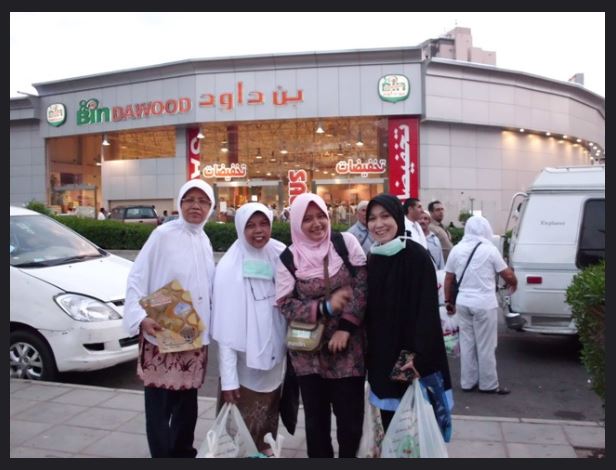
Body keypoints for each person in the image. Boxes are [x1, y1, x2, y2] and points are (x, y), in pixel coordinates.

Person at [123, 179, 216, 458]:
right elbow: (136, 278)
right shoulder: (163, 235)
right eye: (190, 200)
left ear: (211, 207)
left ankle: (183, 452)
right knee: (160, 406)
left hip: (192, 336)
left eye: (203, 201)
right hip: (161, 331)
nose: (196, 206)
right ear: (180, 203)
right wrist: (140, 317)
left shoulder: (204, 239)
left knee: (187, 404)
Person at [275, 192, 368, 458]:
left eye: (320, 216)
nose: (316, 224)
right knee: (316, 423)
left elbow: (362, 287)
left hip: (347, 350)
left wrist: (345, 328)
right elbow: (285, 304)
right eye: (307, 219)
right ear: (296, 223)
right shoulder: (289, 258)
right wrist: (324, 307)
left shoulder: (345, 243)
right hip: (308, 353)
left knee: (350, 422)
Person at [365, 194, 452, 432]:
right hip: (382, 356)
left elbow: (426, 313)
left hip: (409, 358)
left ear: (398, 218)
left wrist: (417, 359)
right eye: (372, 218)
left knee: (411, 426)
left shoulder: (415, 256)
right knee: (391, 425)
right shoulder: (374, 257)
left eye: (385, 216)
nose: (378, 224)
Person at [211, 202, 287, 455]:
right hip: (245, 371)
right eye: (251, 225)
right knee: (242, 436)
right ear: (240, 228)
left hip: (274, 365)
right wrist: (229, 380)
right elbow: (226, 332)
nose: (259, 230)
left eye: (264, 223)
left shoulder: (279, 253)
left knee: (267, 428)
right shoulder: (229, 268)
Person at [444, 215, 517, 395]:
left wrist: (448, 301)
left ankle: (468, 382)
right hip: (484, 303)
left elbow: (448, 278)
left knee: (467, 343)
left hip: (463, 302)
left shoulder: (457, 249)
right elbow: (507, 274)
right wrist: (514, 283)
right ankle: (488, 384)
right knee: (486, 345)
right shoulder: (490, 250)